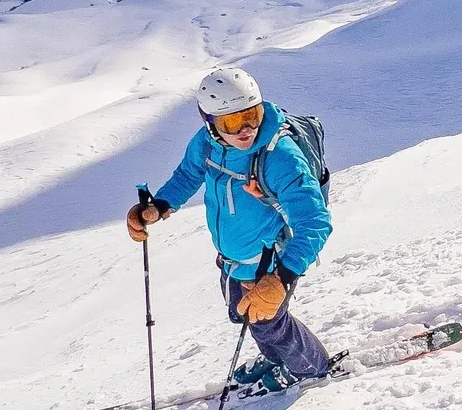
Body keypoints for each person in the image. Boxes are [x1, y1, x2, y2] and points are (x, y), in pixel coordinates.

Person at [126, 67, 333, 393]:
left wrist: (283, 278)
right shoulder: (207, 144)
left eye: (252, 114)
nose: (246, 129)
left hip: (269, 257)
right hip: (233, 255)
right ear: (210, 122)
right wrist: (159, 206)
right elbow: (188, 174)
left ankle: (310, 368)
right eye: (232, 122)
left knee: (269, 322)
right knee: (246, 316)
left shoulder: (280, 157)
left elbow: (314, 220)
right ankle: (278, 358)